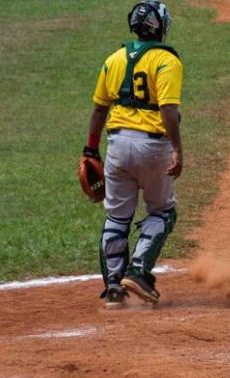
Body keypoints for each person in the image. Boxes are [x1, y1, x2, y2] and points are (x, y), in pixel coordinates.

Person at [82, 1, 183, 308]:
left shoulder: (113, 59)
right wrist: (177, 148)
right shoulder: (167, 61)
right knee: (162, 211)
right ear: (161, 27)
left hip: (117, 145)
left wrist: (90, 148)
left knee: (117, 217)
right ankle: (138, 271)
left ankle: (113, 286)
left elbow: (100, 107)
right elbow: (167, 110)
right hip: (153, 147)